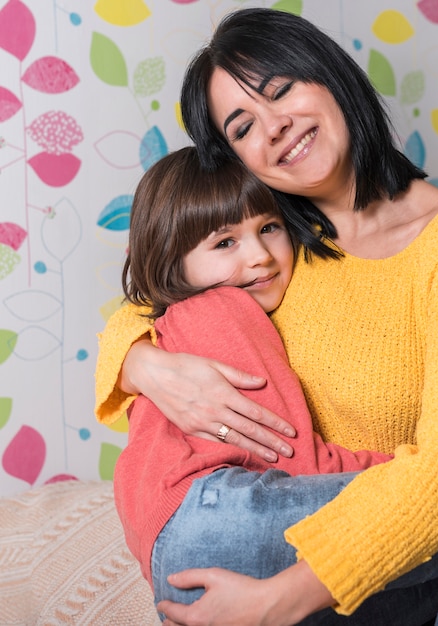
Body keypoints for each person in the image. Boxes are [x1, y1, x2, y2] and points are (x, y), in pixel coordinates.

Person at [96, 8, 438, 626]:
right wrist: (142, 363)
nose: (276, 126)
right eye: (242, 126)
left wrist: (281, 599)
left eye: (282, 90)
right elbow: (155, 291)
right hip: (293, 532)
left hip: (376, 545)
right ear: (233, 157)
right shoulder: (274, 245)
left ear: (331, 76)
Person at [114, 145, 392, 608]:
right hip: (215, 515)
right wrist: (412, 471)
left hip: (169, 558)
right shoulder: (224, 310)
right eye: (225, 243)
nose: (260, 256)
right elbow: (295, 459)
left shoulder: (169, 328)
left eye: (269, 228)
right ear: (171, 261)